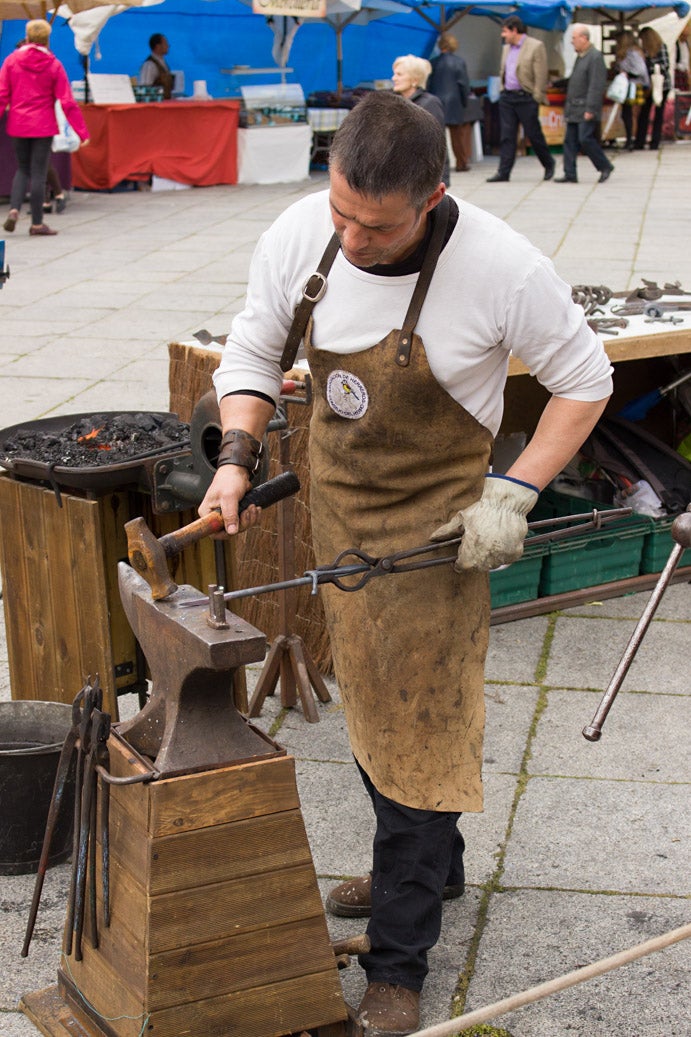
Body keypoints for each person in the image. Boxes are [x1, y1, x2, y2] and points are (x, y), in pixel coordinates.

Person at [199, 91, 612, 1036]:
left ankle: (399, 960)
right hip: (341, 514)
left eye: (374, 225)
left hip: (435, 535)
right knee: (374, 704)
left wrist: (513, 489)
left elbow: (583, 381)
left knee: (420, 728)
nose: (348, 237)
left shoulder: (504, 269)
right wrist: (233, 457)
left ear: (432, 195)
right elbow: (256, 345)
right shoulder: (307, 230)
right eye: (340, 209)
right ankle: (427, 865)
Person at [0, 20, 89, 237]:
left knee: (22, 169)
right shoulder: (54, 64)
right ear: (48, 40)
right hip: (43, 124)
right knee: (39, 172)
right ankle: (37, 224)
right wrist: (82, 132)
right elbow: (67, 101)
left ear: (28, 37)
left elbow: (2, 95)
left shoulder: (11, 61)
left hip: (18, 123)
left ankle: (13, 210)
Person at [487, 15, 555, 183]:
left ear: (514, 30)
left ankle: (548, 163)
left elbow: (541, 74)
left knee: (533, 133)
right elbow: (504, 71)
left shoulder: (535, 46)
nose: (503, 35)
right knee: (507, 136)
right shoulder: (506, 49)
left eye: (505, 32)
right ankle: (504, 172)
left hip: (526, 97)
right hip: (508, 97)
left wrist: (536, 97)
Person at [555, 24, 614, 184]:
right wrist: (557, 84)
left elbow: (596, 85)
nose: (572, 42)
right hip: (574, 107)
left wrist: (591, 108)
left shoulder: (595, 57)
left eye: (574, 38)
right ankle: (570, 173)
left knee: (585, 139)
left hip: (585, 107)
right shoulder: (580, 57)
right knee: (570, 141)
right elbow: (575, 80)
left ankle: (604, 165)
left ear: (584, 38)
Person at [392, 54, 450, 186]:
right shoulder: (396, 102)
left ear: (414, 79)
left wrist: (440, 180)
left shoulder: (430, 103)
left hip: (421, 178)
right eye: (394, 74)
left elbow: (438, 145)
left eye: (399, 75)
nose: (394, 78)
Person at [428, 33, 471, 172]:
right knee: (457, 136)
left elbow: (429, 84)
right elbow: (464, 84)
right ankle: (461, 163)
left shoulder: (433, 62)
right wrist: (465, 101)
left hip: (437, 100)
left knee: (438, 137)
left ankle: (438, 167)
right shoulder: (459, 62)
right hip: (454, 101)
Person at [611, 30, 649, 150]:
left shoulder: (632, 52)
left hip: (633, 85)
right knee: (627, 113)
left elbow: (640, 70)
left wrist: (627, 72)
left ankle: (631, 139)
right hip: (629, 85)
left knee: (631, 113)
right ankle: (630, 139)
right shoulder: (628, 52)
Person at [635, 26, 672, 150]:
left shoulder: (661, 47)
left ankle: (654, 141)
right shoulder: (644, 50)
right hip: (649, 85)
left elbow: (665, 65)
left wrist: (650, 69)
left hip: (661, 84)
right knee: (644, 112)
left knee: (658, 113)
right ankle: (640, 140)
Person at [138, 33, 173, 99]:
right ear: (158, 46)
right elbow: (144, 90)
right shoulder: (149, 65)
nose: (168, 46)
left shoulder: (163, 63)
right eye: (165, 43)